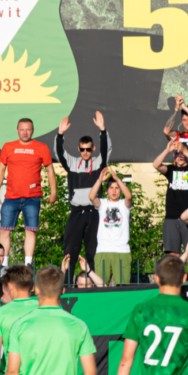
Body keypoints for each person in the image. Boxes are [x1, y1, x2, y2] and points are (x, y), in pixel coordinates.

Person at [0, 118, 57, 267]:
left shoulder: (41, 148)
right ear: (17, 131)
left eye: (28, 129)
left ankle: (28, 264)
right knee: (4, 230)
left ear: (33, 131)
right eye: (22, 129)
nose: (25, 132)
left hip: (32, 198)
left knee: (31, 230)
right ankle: (4, 264)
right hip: (11, 197)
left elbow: (50, 171)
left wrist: (53, 192)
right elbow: (1, 169)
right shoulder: (8, 147)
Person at [55, 112, 112, 276]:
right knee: (70, 250)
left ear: (93, 149)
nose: (85, 152)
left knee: (93, 250)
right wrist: (60, 135)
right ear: (79, 149)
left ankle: (93, 283)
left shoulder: (98, 162)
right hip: (76, 213)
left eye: (88, 149)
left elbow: (106, 148)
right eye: (82, 149)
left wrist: (102, 130)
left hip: (94, 212)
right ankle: (68, 284)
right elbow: (59, 152)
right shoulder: (72, 162)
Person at [155, 136, 188, 256]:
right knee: (173, 255)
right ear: (174, 156)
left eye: (182, 154)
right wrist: (167, 150)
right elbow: (156, 165)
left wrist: (185, 150)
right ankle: (176, 275)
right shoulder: (171, 169)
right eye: (177, 153)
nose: (180, 156)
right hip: (171, 218)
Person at [90, 165, 132, 286]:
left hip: (122, 250)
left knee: (123, 288)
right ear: (107, 191)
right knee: (102, 287)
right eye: (111, 188)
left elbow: (128, 196)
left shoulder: (124, 205)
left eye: (117, 188)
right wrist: (99, 180)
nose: (114, 191)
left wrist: (118, 179)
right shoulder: (103, 203)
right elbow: (92, 197)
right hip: (103, 250)